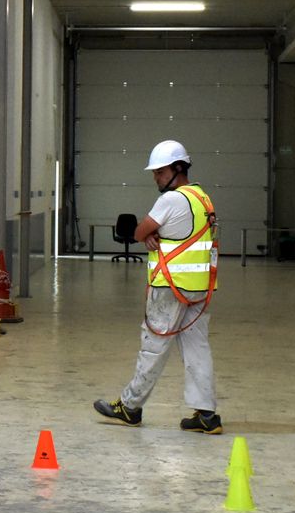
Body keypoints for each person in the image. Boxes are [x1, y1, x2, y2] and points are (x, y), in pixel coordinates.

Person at [93, 140, 223, 434]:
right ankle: (206, 415)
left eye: (160, 171)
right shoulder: (202, 198)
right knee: (197, 349)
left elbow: (139, 231)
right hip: (199, 289)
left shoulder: (172, 200)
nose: (156, 177)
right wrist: (156, 235)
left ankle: (130, 407)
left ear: (178, 169)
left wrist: (150, 235)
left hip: (170, 288)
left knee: (153, 347)